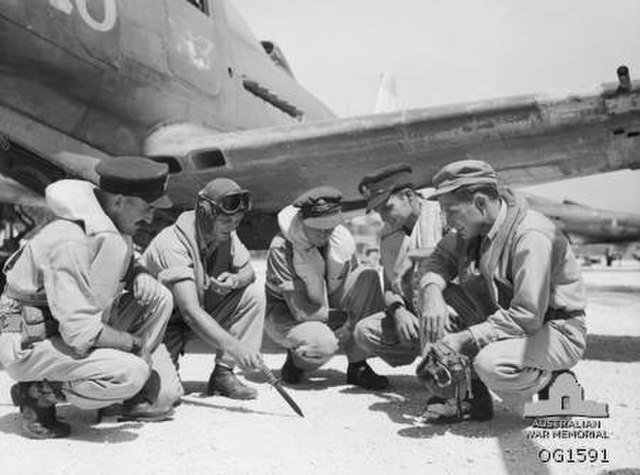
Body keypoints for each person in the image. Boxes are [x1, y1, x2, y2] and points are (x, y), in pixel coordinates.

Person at [0, 156, 181, 439]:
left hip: (70, 325)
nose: (151, 218)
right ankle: (38, 391)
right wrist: (132, 345)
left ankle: (103, 382)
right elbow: (79, 333)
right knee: (131, 373)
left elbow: (121, 255)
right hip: (33, 340)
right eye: (147, 208)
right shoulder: (69, 240)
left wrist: (139, 272)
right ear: (120, 201)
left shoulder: (109, 223)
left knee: (160, 300)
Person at [418, 159, 587, 422]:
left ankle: (553, 378)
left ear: (480, 203)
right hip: (508, 321)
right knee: (439, 295)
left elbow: (527, 316)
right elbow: (438, 259)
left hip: (554, 329)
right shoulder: (472, 229)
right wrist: (431, 293)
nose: (448, 221)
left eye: (451, 211)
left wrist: (464, 338)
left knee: (490, 363)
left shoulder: (530, 235)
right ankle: (469, 398)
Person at [143, 178, 264, 400]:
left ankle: (223, 374)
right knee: (163, 398)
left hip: (193, 317)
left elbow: (249, 272)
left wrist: (235, 280)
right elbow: (190, 312)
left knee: (252, 296)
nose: (233, 226)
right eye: (226, 221)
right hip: (159, 326)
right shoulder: (173, 244)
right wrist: (237, 348)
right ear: (205, 212)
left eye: (238, 220)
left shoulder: (226, 233)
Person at [265, 186, 388, 389]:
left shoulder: (339, 239)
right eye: (319, 228)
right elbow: (300, 309)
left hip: (326, 302)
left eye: (329, 227)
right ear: (303, 222)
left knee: (367, 277)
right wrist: (343, 320)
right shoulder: (282, 247)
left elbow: (353, 285)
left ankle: (358, 365)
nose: (325, 233)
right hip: (287, 313)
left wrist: (350, 318)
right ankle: (296, 361)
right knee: (323, 343)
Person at [352, 165, 444, 371]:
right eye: (377, 211)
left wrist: (415, 255)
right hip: (418, 314)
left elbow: (461, 252)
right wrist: (399, 311)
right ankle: (434, 357)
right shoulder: (389, 236)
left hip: (450, 311)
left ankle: (452, 365)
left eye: (387, 207)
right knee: (364, 331)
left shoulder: (443, 215)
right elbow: (390, 289)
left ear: (408, 196)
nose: (382, 216)